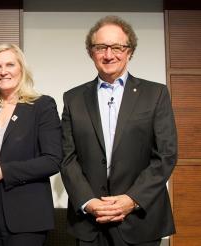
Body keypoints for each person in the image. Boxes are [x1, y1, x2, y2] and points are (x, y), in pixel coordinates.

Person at [60, 15, 177, 246]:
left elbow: (166, 155)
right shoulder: (73, 98)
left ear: (130, 51)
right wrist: (89, 202)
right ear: (90, 52)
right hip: (90, 222)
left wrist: (131, 200)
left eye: (117, 47)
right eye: (101, 47)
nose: (108, 54)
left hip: (140, 220)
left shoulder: (156, 94)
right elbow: (67, 157)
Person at [0, 43, 62, 246]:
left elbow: (53, 160)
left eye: (10, 65)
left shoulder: (42, 106)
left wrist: (4, 171)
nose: (3, 72)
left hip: (26, 215)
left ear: (21, 69)